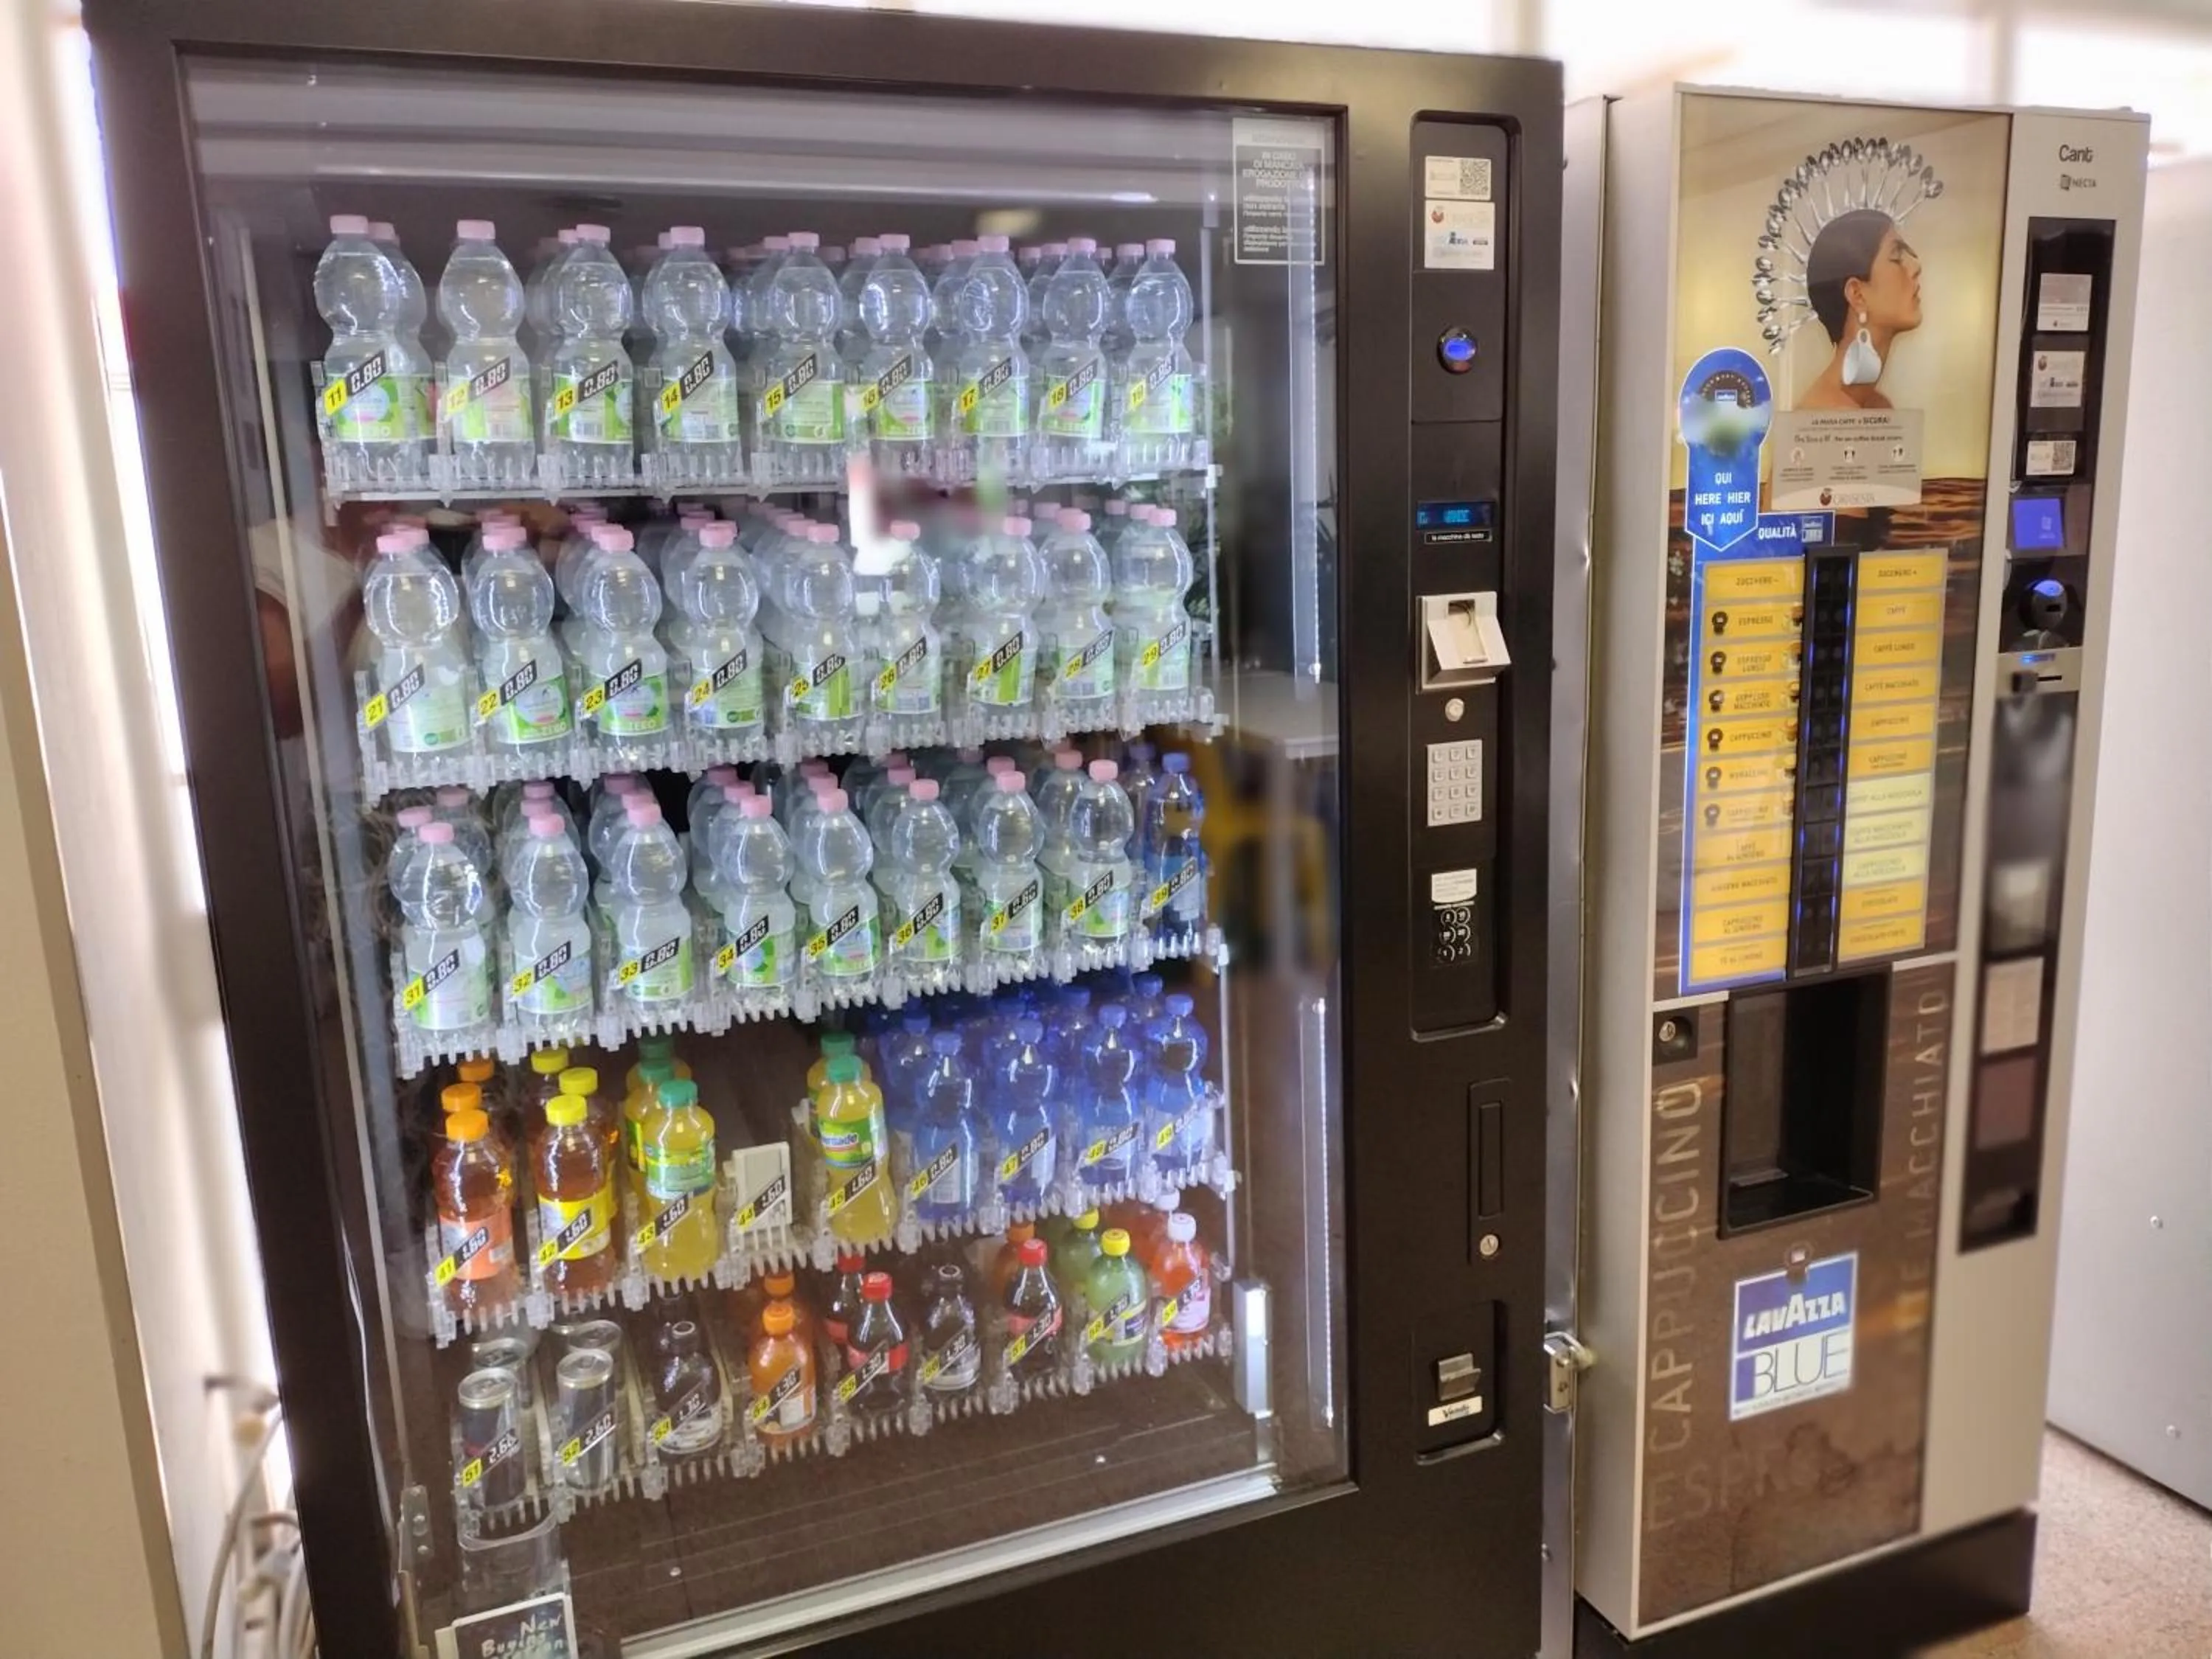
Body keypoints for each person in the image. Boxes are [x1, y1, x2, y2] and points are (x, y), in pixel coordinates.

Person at [1795, 209, 1922, 411]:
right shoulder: (1828, 418)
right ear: (1857, 295)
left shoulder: (1876, 407)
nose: (1916, 268)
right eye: (1897, 257)